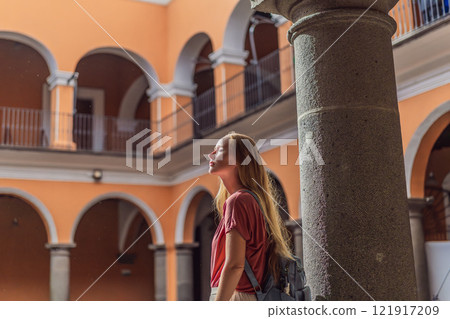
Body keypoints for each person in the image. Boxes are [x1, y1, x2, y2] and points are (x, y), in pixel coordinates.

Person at [208, 132, 293, 301]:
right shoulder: (252, 200)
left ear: (238, 160)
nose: (210, 154)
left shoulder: (238, 201)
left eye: (219, 150)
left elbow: (234, 265)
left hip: (238, 297)